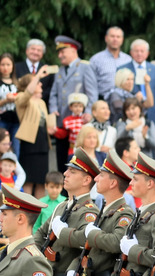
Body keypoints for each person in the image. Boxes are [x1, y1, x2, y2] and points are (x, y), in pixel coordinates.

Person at [49, 36, 98, 173]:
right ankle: (63, 190)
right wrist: (53, 110)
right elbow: (53, 94)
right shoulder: (59, 70)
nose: (59, 55)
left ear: (72, 50)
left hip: (78, 123)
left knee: (77, 162)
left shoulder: (85, 67)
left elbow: (92, 93)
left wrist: (88, 112)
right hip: (61, 122)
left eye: (62, 51)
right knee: (61, 160)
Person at [15, 70, 54, 195]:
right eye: (37, 83)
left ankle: (39, 212)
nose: (41, 84)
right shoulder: (21, 97)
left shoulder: (42, 102)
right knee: (29, 180)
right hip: (30, 143)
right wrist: (37, 76)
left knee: (41, 180)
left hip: (43, 143)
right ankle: (27, 210)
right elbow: (27, 95)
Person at [118, 39, 155, 131]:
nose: (139, 54)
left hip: (151, 112)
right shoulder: (123, 69)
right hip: (131, 114)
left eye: (142, 51)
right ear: (131, 52)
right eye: (136, 51)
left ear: (147, 53)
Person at [0, 53, 21, 156]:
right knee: (0, 148)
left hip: (16, 120)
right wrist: (5, 101)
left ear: (13, 66)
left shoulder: (17, 82)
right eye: (2, 64)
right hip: (1, 120)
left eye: (8, 64)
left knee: (15, 149)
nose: (5, 67)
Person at [89, 27, 132, 102]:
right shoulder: (96, 59)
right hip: (103, 102)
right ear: (106, 38)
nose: (115, 39)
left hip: (125, 103)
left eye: (118, 37)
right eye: (112, 36)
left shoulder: (128, 59)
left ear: (122, 40)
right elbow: (90, 85)